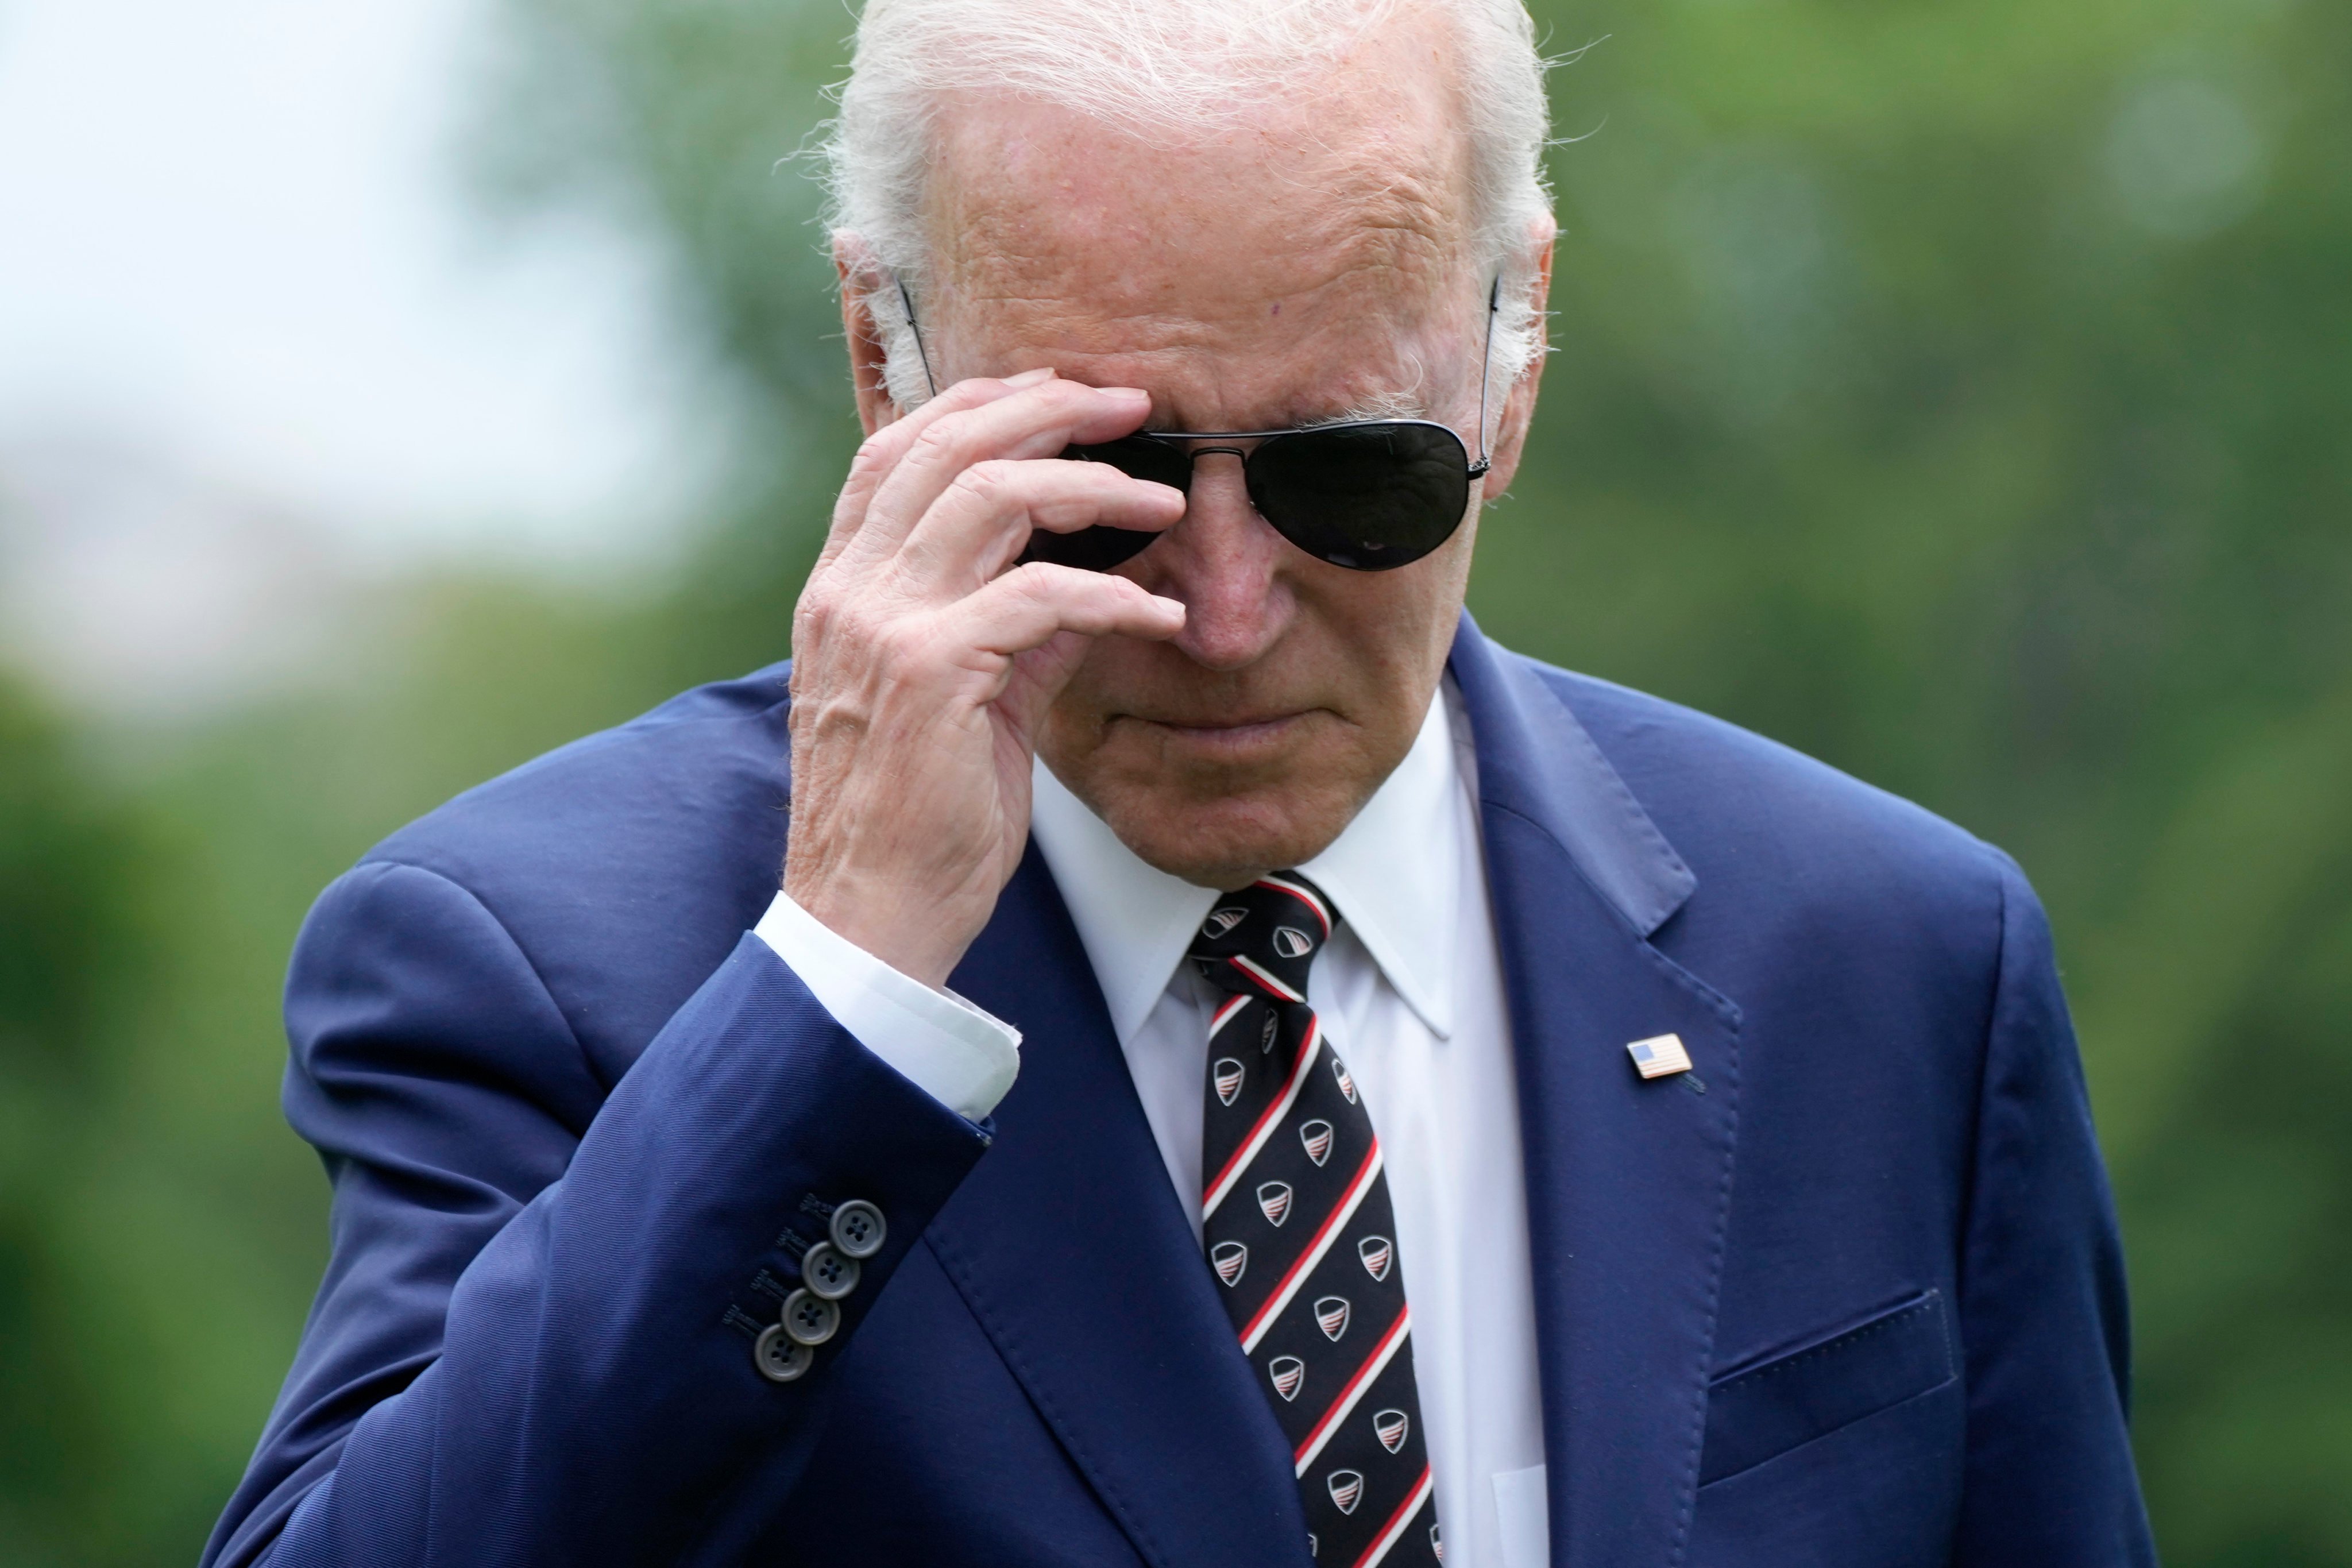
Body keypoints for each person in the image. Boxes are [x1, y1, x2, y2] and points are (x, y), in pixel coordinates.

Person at [202, 0, 2156, 1563]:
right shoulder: (543, 966)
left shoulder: (1895, 961)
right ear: (891, 372)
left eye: (1353, 471)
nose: (1225, 612)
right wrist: (844, 996)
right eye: (1110, 488)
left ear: (1514, 357)